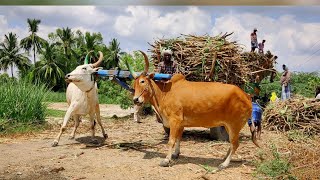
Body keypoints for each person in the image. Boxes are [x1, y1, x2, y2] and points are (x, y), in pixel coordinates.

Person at [133, 48, 178, 124]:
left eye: (168, 55)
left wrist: (169, 80)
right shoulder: (161, 64)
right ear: (163, 56)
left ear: (171, 56)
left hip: (172, 84)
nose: (167, 57)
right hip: (161, 84)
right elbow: (158, 75)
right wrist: (162, 81)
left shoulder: (174, 64)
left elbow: (176, 74)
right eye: (165, 55)